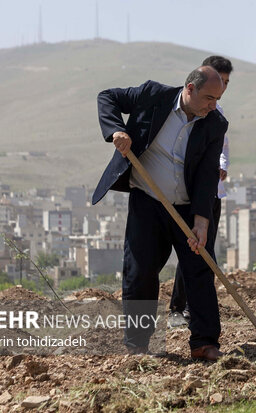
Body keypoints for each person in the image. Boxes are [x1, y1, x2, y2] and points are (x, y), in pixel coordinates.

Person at [92, 66, 228, 361]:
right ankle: (137, 345)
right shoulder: (153, 95)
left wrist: (202, 223)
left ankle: (204, 343)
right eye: (208, 98)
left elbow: (207, 176)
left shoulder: (215, 123)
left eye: (218, 99)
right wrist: (116, 130)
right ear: (189, 89)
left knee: (199, 270)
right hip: (149, 201)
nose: (213, 105)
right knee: (139, 270)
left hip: (188, 208)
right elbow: (107, 98)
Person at [168, 56, 233, 329]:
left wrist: (220, 167)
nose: (222, 88)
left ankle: (196, 314)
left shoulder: (216, 116)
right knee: (193, 251)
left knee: (200, 249)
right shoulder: (190, 110)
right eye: (219, 81)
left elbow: (222, 152)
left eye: (227, 83)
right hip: (186, 195)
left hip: (211, 195)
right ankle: (178, 308)